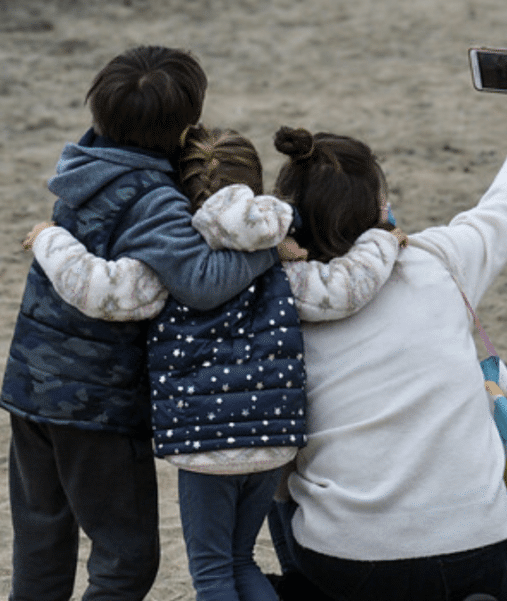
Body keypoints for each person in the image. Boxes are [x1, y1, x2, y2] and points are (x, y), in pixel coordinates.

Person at [23, 125, 408, 601]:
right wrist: (383, 239)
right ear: (256, 184)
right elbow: (346, 289)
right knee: (243, 561)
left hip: (206, 448)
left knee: (212, 575)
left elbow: (99, 288)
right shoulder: (283, 261)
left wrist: (49, 238)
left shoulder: (167, 266)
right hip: (272, 442)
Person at [266, 48, 507, 601]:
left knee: (283, 489)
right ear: (381, 210)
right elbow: (505, 209)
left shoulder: (277, 302)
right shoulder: (438, 260)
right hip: (480, 545)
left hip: (352, 560)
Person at [0, 46, 278, 601]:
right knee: (127, 560)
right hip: (97, 408)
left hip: (30, 386)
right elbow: (200, 282)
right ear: (184, 128)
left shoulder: (81, 166)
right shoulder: (153, 201)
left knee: (40, 540)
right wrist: (271, 251)